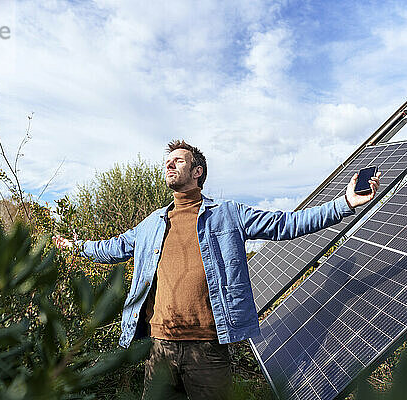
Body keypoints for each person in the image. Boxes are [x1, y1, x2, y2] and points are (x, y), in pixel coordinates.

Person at [53, 140, 381, 399]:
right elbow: (112, 248)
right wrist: (74, 246)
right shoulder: (152, 223)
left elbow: (288, 224)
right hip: (160, 348)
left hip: (208, 349)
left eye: (178, 160)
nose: (169, 164)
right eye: (167, 161)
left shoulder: (227, 214)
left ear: (197, 172)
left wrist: (345, 203)